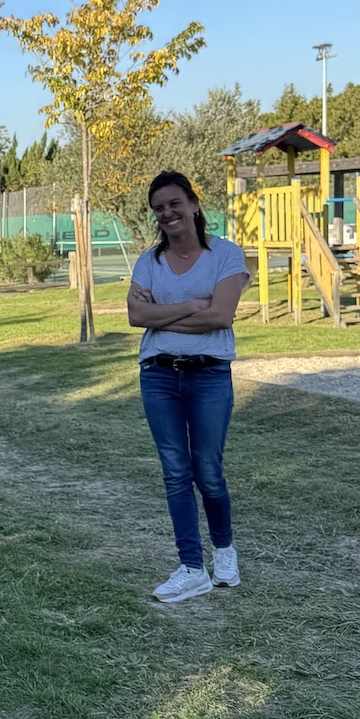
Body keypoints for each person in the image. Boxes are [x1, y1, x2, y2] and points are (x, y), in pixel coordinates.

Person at [128, 170, 250, 603]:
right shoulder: (149, 262)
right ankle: (192, 568)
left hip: (209, 375)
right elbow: (136, 317)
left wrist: (164, 315)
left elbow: (221, 316)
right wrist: (194, 305)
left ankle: (224, 551)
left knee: (208, 473)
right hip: (158, 375)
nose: (167, 213)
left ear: (195, 204)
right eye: (158, 208)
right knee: (176, 473)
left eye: (174, 203)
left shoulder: (226, 255)